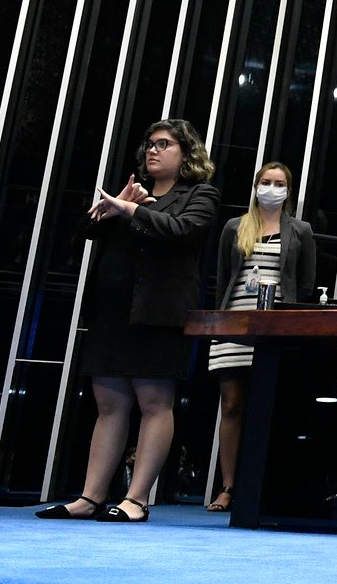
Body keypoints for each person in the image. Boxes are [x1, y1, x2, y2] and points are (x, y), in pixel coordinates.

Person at [36, 119, 219, 523]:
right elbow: (85, 232)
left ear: (186, 154)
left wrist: (131, 209)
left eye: (164, 144)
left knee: (154, 403)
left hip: (158, 313)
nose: (152, 150)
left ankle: (136, 500)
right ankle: (90, 497)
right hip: (112, 312)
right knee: (108, 404)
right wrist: (114, 204)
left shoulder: (200, 194)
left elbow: (182, 230)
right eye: (149, 144)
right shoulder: (131, 193)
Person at [208, 162, 315, 512]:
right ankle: (228, 486)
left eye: (279, 183)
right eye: (266, 182)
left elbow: (304, 285)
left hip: (276, 330)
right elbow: (223, 278)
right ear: (255, 187)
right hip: (235, 326)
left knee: (272, 406)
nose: (272, 188)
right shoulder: (234, 227)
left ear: (289, 189)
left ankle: (267, 487)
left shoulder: (301, 230)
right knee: (233, 404)